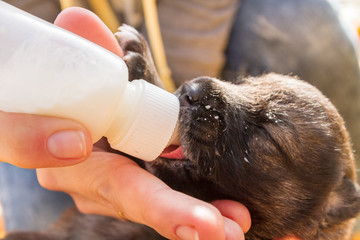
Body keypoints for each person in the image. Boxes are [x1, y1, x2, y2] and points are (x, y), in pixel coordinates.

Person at [1, 0, 359, 239]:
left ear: (330, 206)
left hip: (192, 23)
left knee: (309, 24)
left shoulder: (325, 200)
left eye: (268, 134)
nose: (204, 87)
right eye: (243, 85)